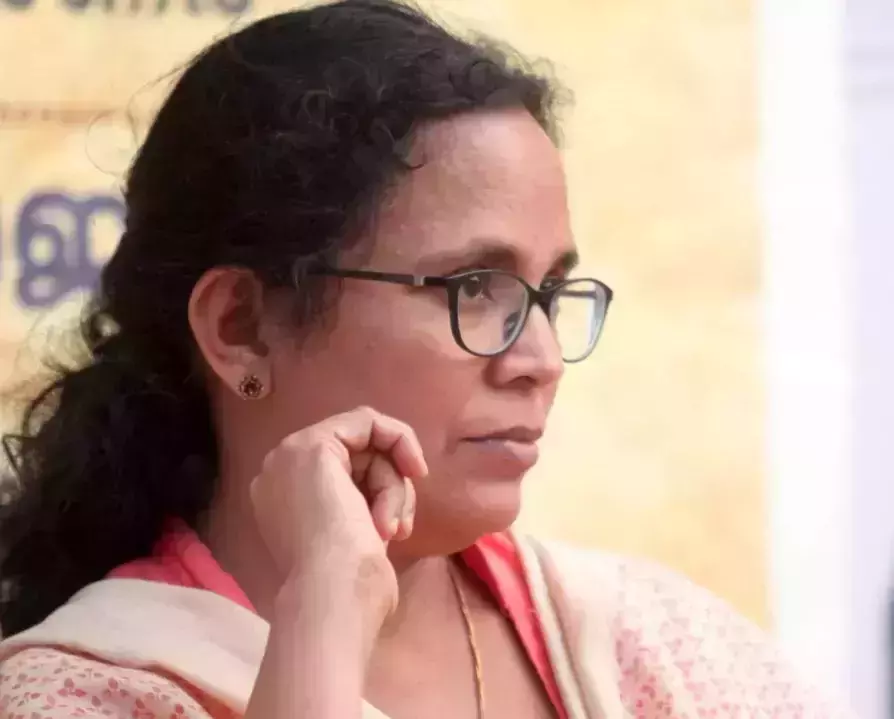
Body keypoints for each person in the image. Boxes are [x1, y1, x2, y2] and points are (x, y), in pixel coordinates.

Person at [0, 1, 854, 717]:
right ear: (241, 327)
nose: (541, 359)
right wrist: (327, 607)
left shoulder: (643, 644)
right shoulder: (81, 691)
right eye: (474, 287)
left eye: (550, 291)